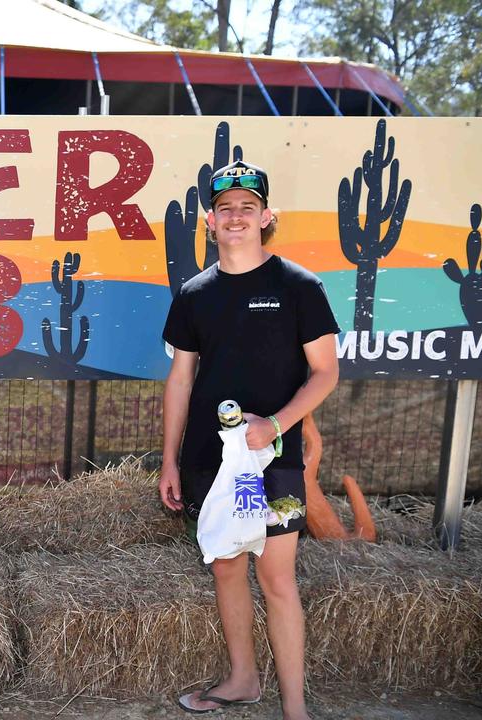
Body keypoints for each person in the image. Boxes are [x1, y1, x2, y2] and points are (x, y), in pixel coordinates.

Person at [159, 160, 339, 719]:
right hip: (209, 462)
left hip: (275, 462)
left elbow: (326, 373)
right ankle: (242, 680)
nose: (237, 217)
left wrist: (277, 426)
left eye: (248, 207)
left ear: (266, 217)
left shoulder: (299, 286)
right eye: (226, 209)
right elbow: (181, 378)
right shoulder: (193, 293)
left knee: (277, 576)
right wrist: (168, 460)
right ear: (210, 222)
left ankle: (295, 709)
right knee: (228, 565)